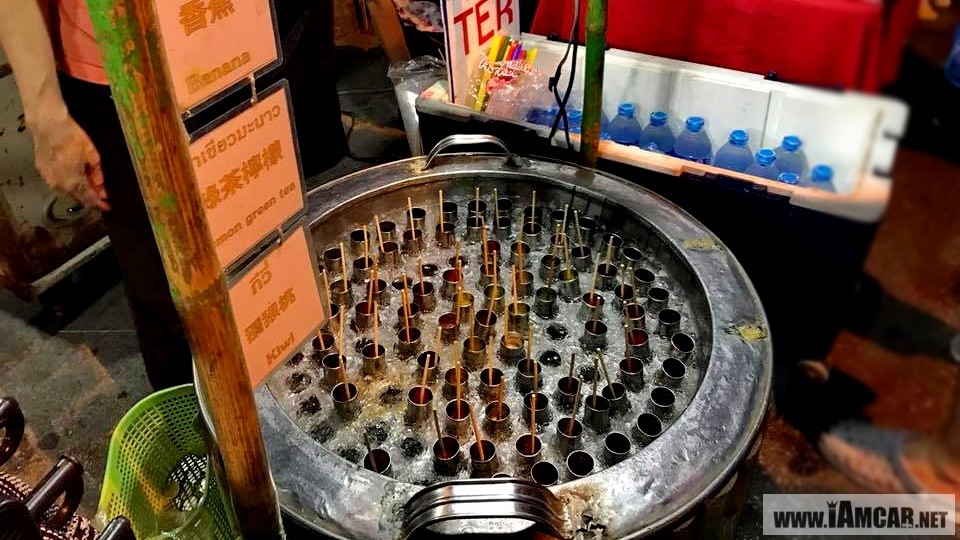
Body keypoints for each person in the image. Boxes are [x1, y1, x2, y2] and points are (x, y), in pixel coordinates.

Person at [0, 0, 192, 389]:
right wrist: (46, 116)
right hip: (119, 71)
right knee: (167, 288)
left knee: (268, 247)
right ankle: (191, 414)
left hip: (248, 42)